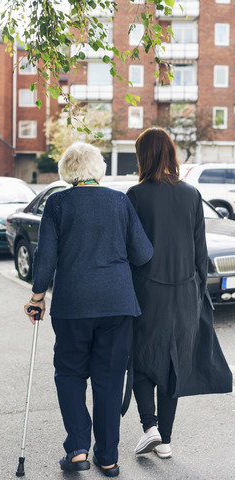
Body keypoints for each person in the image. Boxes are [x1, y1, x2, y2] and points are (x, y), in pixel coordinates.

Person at [24, 141, 153, 477]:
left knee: (69, 374)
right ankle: (108, 457)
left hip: (72, 306)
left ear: (68, 171)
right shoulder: (120, 201)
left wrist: (37, 297)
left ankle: (78, 449)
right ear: (99, 169)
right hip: (117, 304)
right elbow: (143, 254)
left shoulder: (58, 203)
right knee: (109, 381)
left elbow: (45, 257)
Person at [126, 127, 233, 459]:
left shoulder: (136, 195)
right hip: (186, 294)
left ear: (144, 156)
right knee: (173, 363)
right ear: (171, 153)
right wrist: (198, 292)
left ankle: (150, 427)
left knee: (142, 360)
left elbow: (130, 251)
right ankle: (166, 441)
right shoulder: (191, 194)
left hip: (147, 292)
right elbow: (200, 253)